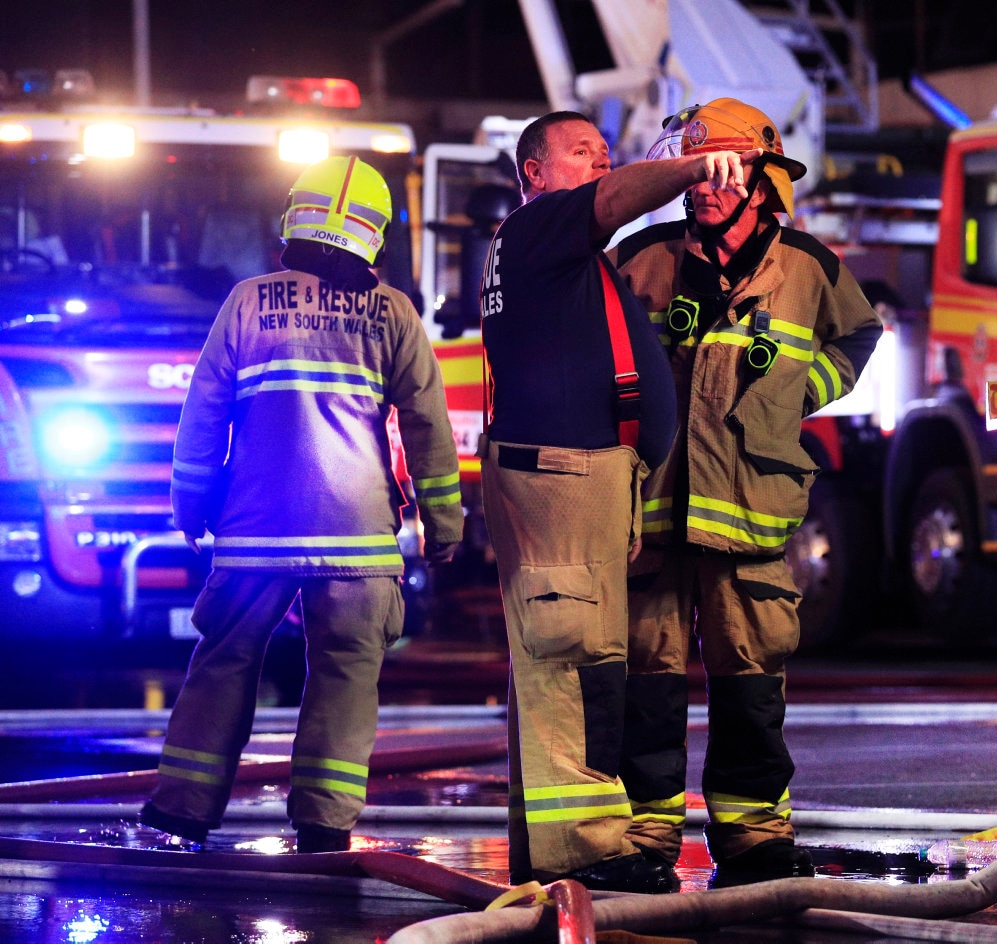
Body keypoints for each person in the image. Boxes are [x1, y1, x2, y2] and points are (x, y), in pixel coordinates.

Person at [140, 156, 464, 854]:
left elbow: (203, 413)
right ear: (374, 232)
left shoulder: (249, 301)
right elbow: (428, 426)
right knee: (346, 676)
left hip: (255, 535)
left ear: (294, 215)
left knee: (224, 661)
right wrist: (443, 526)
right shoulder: (394, 312)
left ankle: (183, 810)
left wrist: (190, 506)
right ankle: (323, 825)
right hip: (358, 542)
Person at [479, 110, 759, 893]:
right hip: (564, 481)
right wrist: (697, 169)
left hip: (583, 482)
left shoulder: (564, 254)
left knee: (564, 656)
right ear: (534, 172)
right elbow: (617, 201)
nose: (601, 165)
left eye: (607, 153)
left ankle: (558, 845)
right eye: (581, 153)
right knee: (577, 662)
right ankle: (589, 848)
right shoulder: (540, 230)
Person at [606, 98, 883, 886]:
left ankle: (753, 835)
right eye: (693, 173)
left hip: (750, 514)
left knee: (750, 685)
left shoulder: (807, 267)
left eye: (720, 172)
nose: (702, 188)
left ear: (763, 178)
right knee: (646, 686)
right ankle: (645, 840)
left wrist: (800, 390)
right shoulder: (644, 257)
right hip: (651, 516)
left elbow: (859, 336)